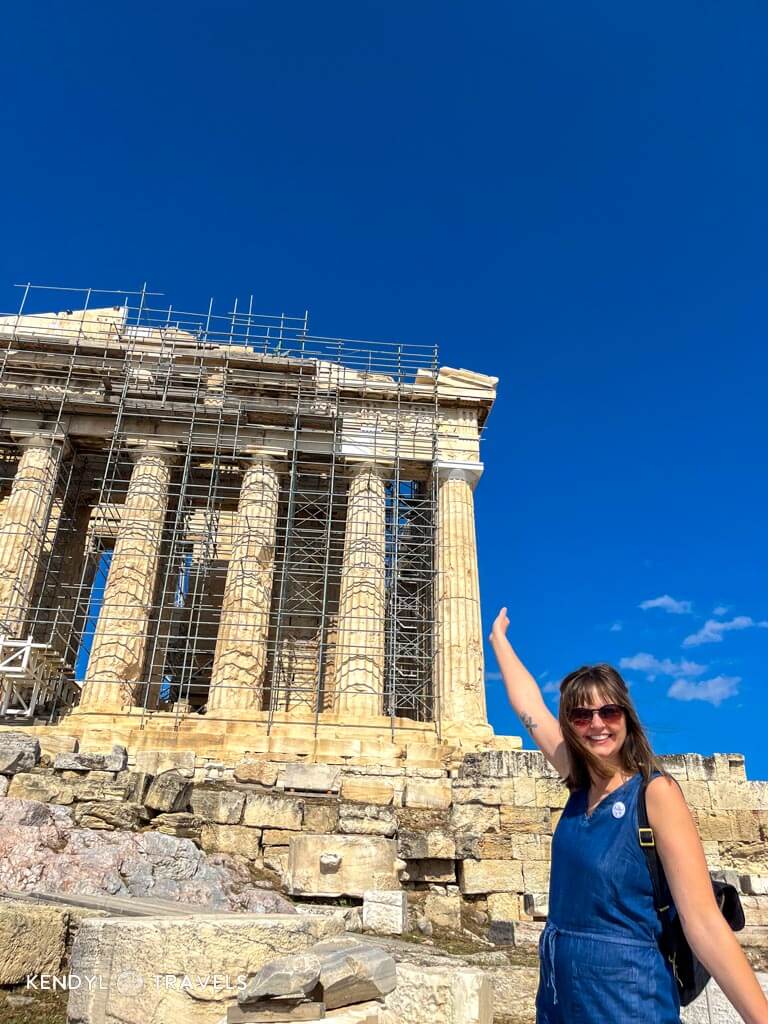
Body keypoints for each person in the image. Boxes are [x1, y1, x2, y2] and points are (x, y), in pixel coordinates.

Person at [489, 607, 768, 1024]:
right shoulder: (577, 778)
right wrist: (498, 640)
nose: (596, 725)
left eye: (608, 712)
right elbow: (529, 708)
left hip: (628, 1001)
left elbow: (705, 922)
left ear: (626, 717)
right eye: (582, 716)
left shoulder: (656, 793)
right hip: (560, 999)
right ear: (570, 724)